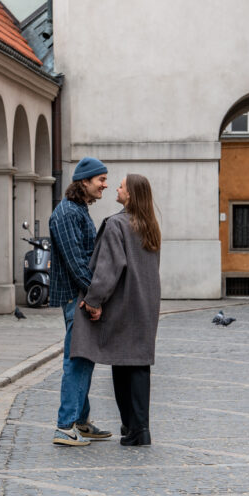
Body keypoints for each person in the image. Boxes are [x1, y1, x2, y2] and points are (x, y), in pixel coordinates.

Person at [70, 173, 162, 446]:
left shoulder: (117, 224)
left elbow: (108, 268)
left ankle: (132, 428)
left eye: (121, 186)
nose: (116, 189)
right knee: (139, 364)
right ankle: (140, 428)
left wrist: (94, 300)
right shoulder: (150, 225)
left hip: (123, 303)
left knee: (122, 364)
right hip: (146, 302)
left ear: (130, 194)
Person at [48, 156, 112, 446]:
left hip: (81, 296)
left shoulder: (77, 209)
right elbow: (76, 262)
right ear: (84, 181)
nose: (105, 185)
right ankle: (64, 426)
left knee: (84, 358)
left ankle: (81, 422)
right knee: (76, 361)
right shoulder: (65, 213)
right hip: (77, 297)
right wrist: (93, 297)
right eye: (101, 179)